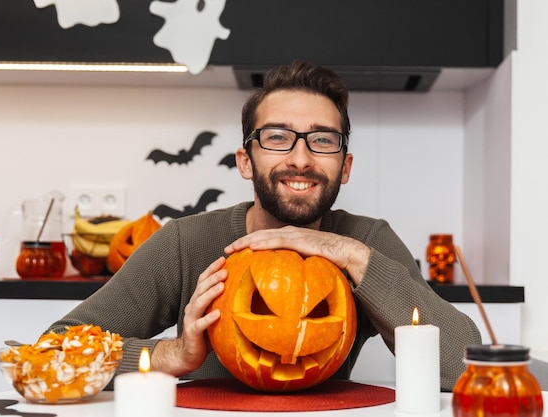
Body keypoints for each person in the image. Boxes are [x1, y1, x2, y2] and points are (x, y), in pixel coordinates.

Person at [47, 60, 481, 391]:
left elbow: (463, 367)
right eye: (277, 137)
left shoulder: (367, 241)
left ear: (344, 166)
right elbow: (55, 349)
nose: (300, 158)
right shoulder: (186, 242)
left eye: (322, 140)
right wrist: (172, 354)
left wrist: (349, 255)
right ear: (245, 160)